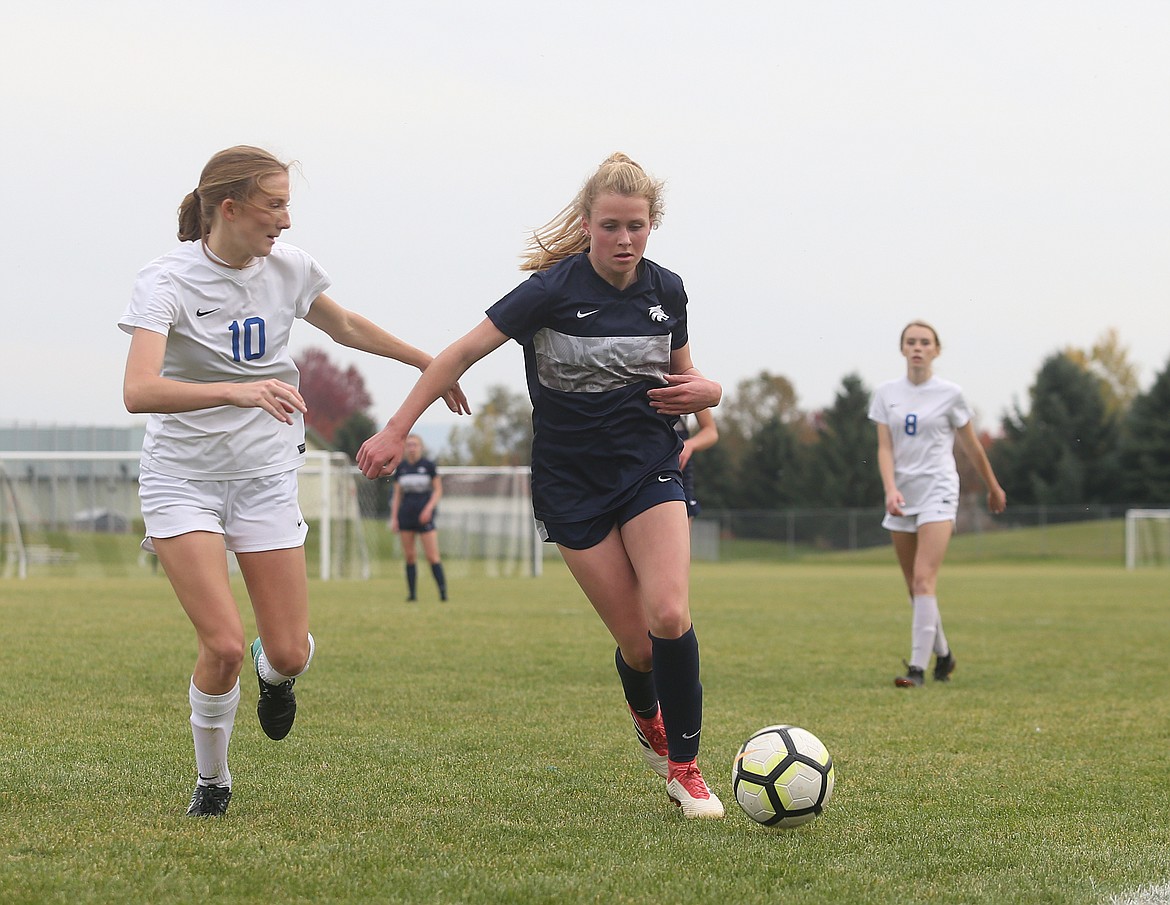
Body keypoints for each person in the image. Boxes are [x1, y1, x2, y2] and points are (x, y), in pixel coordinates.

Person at [357, 153, 726, 819]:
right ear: (587, 224)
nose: (623, 239)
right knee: (639, 645)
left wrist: (713, 391)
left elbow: (688, 380)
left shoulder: (667, 291)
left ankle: (686, 767)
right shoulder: (550, 292)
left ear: (652, 226)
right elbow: (460, 353)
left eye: (636, 226)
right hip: (571, 484)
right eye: (610, 225)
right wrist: (394, 429)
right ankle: (647, 717)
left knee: (669, 613)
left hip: (649, 467)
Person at [119, 145, 468, 817]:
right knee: (219, 643)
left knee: (287, 652)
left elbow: (345, 325)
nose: (284, 218)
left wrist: (430, 361)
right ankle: (213, 783)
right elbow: (138, 389)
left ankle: (272, 673)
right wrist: (240, 391)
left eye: (287, 204)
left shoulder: (290, 267)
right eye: (273, 203)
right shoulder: (166, 279)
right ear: (229, 207)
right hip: (182, 482)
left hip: (264, 479)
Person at [868, 320, 1007, 689]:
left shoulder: (950, 394)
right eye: (911, 341)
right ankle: (944, 655)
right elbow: (884, 447)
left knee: (924, 578)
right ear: (902, 349)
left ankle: (916, 668)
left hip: (939, 490)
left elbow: (973, 446)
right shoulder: (885, 393)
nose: (917, 347)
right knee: (915, 586)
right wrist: (890, 489)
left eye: (925, 342)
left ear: (936, 350)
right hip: (903, 494)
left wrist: (993, 486)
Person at [389, 433, 448, 602]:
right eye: (409, 445)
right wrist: (394, 518)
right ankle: (412, 595)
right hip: (406, 516)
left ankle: (443, 594)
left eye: (415, 444)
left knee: (432, 556)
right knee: (409, 556)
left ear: (420, 447)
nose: (412, 448)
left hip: (425, 517)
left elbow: (437, 490)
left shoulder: (428, 466)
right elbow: (397, 496)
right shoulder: (401, 468)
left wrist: (428, 509)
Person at [675, 409, 718, 521]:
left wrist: (690, 445)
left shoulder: (685, 391)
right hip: (632, 457)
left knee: (681, 526)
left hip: (677, 464)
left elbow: (711, 431)